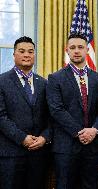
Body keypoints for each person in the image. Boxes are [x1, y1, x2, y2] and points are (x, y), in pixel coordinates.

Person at [46, 33, 98, 189]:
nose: (76, 51)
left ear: (87, 50)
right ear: (67, 50)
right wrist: (81, 132)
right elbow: (56, 110)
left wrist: (94, 130)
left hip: (93, 145)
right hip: (66, 145)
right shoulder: (55, 78)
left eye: (80, 47)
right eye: (72, 47)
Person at [0, 36, 51, 189]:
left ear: (34, 55)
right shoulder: (2, 81)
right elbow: (1, 117)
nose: (26, 55)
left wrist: (44, 137)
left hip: (39, 154)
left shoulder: (44, 83)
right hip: (11, 154)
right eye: (22, 51)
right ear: (14, 55)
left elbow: (51, 117)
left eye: (30, 51)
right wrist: (23, 138)